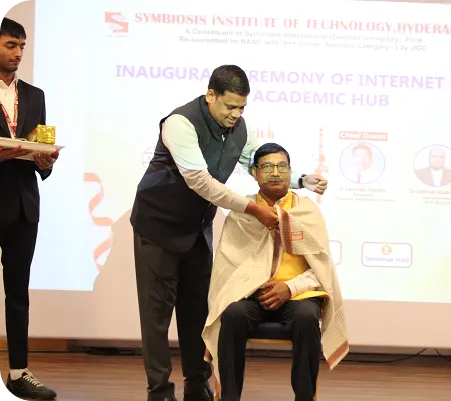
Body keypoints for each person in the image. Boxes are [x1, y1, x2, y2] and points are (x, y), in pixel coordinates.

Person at [129, 65, 328, 401]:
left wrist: (300, 180)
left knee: (198, 311)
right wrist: (253, 209)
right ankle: (159, 391)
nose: (236, 114)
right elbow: (200, 181)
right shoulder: (179, 123)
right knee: (156, 316)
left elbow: (256, 163)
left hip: (196, 230)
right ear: (211, 96)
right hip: (158, 226)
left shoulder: (239, 128)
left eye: (242, 107)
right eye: (230, 106)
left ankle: (197, 384)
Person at [203, 142, 348, 401]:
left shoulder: (307, 210)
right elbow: (228, 266)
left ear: (290, 172)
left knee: (306, 318)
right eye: (267, 167)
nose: (275, 173)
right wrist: (252, 285)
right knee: (233, 314)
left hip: (298, 295)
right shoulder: (243, 211)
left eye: (282, 167)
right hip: (252, 294)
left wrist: (289, 288)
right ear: (255, 173)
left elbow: (321, 268)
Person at [0, 18, 59, 400]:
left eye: (21, 45)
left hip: (23, 207)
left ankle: (18, 373)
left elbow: (42, 147)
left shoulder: (35, 95)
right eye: (10, 45)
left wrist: (45, 161)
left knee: (18, 294)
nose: (19, 53)